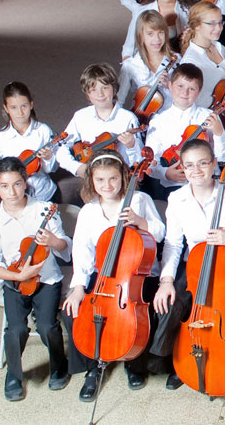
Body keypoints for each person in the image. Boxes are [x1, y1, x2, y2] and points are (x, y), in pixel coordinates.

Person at [152, 138, 225, 391]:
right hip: (195, 267)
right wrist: (166, 281)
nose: (196, 171)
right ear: (182, 168)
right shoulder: (177, 198)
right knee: (173, 304)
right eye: (189, 165)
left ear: (215, 164)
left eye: (203, 163)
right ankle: (182, 360)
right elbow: (173, 244)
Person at [61, 150, 165, 400]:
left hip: (139, 272)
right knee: (74, 311)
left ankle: (134, 363)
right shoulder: (88, 211)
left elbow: (160, 233)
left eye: (113, 179)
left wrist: (141, 222)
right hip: (104, 276)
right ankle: (92, 368)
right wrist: (77, 288)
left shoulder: (139, 200)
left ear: (123, 178)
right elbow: (82, 252)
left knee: (140, 314)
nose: (107, 185)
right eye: (100, 180)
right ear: (92, 182)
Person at [0, 158, 71, 401]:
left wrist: (53, 241)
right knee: (17, 329)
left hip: (46, 279)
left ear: (25, 183)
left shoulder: (44, 208)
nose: (12, 192)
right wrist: (18, 275)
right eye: (4, 186)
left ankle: (59, 364)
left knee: (47, 326)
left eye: (18, 184)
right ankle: (13, 374)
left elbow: (64, 246)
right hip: (15, 279)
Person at [144, 63, 225, 197]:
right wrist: (165, 173)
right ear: (170, 86)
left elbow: (223, 157)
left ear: (199, 92)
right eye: (180, 86)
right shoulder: (158, 121)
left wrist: (219, 134)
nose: (185, 92)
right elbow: (150, 160)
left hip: (208, 186)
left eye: (192, 89)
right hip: (172, 188)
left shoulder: (209, 117)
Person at [0, 82, 59, 202]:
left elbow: (52, 168)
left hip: (43, 194)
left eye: (24, 106)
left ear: (31, 105)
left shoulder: (43, 131)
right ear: (6, 108)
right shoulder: (1, 137)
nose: (20, 113)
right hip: (15, 200)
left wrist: (49, 157)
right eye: (13, 107)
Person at [57, 63, 143, 179]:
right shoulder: (80, 116)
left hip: (119, 178)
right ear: (88, 94)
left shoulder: (128, 119)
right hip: (90, 177)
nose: (100, 94)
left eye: (105, 87)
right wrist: (77, 168)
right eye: (93, 89)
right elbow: (61, 149)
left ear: (114, 89)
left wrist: (131, 146)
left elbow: (139, 161)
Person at [180, 0, 225, 109]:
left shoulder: (220, 47)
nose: (219, 28)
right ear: (197, 26)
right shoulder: (190, 62)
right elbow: (190, 104)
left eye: (220, 22)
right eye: (212, 23)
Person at [117, 10, 179, 117]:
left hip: (170, 119)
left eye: (161, 32)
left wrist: (169, 85)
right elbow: (119, 100)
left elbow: (187, 95)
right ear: (141, 36)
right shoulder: (130, 65)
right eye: (150, 34)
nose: (157, 39)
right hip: (141, 118)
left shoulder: (177, 60)